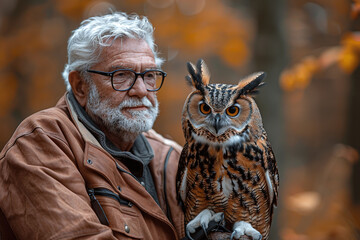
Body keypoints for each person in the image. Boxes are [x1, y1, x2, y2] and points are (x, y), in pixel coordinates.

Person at [0, 11, 186, 239]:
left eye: (149, 75)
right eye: (122, 75)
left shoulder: (172, 158)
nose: (141, 90)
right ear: (80, 85)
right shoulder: (41, 142)